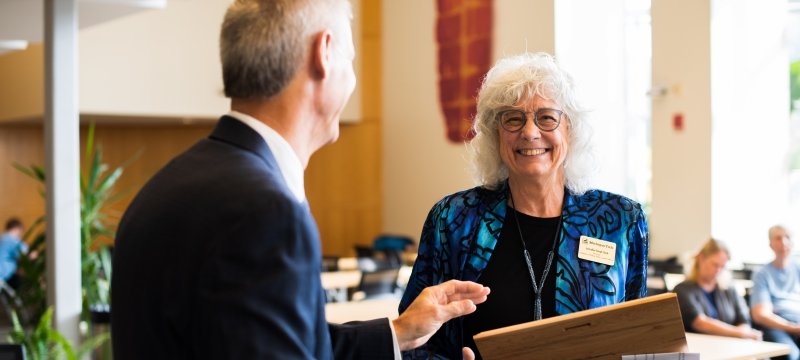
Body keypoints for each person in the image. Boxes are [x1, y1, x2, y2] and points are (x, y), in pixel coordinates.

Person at [110, 0, 490, 359]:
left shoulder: (165, 187)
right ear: (324, 53)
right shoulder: (266, 213)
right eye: (351, 58)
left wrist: (398, 332)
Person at [399, 52, 649, 359]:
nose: (529, 132)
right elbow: (412, 342)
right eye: (513, 119)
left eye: (546, 117)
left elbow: (641, 339)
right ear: (495, 134)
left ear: (569, 129)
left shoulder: (620, 220)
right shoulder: (453, 220)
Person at [672, 238, 761, 339]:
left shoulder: (729, 289)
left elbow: (744, 319)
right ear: (701, 258)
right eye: (715, 265)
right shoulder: (682, 290)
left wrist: (744, 332)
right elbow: (699, 322)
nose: (718, 270)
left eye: (722, 266)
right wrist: (740, 334)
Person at [751, 225, 800, 360]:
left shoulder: (798, 268)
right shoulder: (762, 274)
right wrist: (793, 328)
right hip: (777, 326)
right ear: (770, 244)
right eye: (778, 238)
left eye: (787, 237)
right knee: (792, 355)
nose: (783, 242)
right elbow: (761, 315)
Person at [0, 218, 26, 287]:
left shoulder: (2, 238)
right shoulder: (13, 241)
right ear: (18, 229)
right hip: (4, 276)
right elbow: (26, 255)